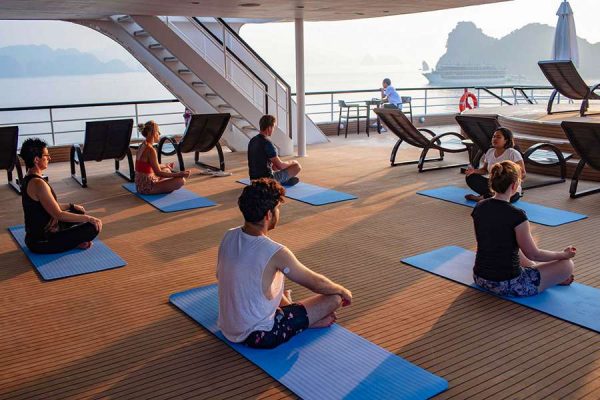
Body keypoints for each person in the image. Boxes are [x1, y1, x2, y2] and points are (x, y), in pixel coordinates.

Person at [217, 178, 352, 349]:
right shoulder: (275, 252)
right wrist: (342, 290)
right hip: (261, 335)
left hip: (228, 326)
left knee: (265, 277)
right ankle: (306, 323)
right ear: (268, 215)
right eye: (278, 209)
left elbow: (240, 281)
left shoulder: (229, 235)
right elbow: (315, 283)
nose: (279, 213)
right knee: (334, 298)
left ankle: (294, 314)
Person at [471, 160, 575, 297]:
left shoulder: (479, 206)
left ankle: (542, 274)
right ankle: (551, 277)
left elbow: (485, 242)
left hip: (480, 277)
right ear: (514, 186)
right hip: (507, 284)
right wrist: (563, 255)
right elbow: (534, 254)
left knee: (512, 247)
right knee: (567, 265)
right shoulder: (517, 215)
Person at [19, 138, 102, 254]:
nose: (49, 158)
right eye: (46, 155)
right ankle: (72, 243)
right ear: (36, 159)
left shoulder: (28, 178)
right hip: (42, 242)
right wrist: (90, 218)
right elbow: (58, 214)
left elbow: (50, 206)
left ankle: (70, 239)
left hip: (40, 234)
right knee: (92, 227)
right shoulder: (38, 184)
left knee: (77, 211)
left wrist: (71, 206)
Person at [465, 127, 526, 203]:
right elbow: (485, 170)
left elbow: (523, 173)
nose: (494, 139)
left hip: (508, 187)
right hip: (493, 184)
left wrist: (509, 183)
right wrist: (473, 171)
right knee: (471, 177)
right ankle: (489, 196)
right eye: (494, 136)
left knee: (512, 197)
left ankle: (484, 197)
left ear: (506, 140)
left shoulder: (512, 153)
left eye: (498, 137)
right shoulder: (490, 151)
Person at [135, 120, 190, 194]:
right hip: (147, 187)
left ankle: (163, 184)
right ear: (152, 133)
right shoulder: (150, 150)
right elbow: (158, 173)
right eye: (158, 131)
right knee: (180, 180)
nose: (159, 133)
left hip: (140, 185)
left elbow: (149, 166)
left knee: (166, 169)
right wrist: (179, 174)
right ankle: (161, 188)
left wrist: (165, 165)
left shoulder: (143, 145)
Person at [247, 115, 301, 186]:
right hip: (267, 181)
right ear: (269, 128)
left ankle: (283, 181)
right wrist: (292, 162)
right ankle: (280, 182)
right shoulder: (267, 143)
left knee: (275, 166)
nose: (273, 130)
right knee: (297, 166)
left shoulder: (252, 140)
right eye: (273, 127)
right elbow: (280, 166)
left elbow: (273, 166)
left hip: (253, 181)